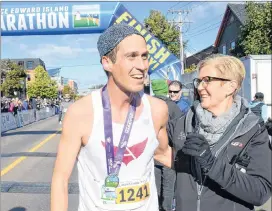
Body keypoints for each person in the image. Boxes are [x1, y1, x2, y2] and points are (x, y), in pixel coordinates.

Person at [51, 23, 172, 211]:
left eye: (144, 56)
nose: (142, 66)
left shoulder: (157, 109)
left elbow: (163, 154)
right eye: (131, 56)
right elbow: (60, 178)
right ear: (107, 62)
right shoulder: (80, 113)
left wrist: (213, 166)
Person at [170, 54, 271, 211]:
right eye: (199, 80)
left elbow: (261, 192)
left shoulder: (252, 130)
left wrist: (211, 163)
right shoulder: (184, 122)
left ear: (231, 86)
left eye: (207, 80)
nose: (199, 87)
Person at [151, 79, 183, 211]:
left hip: (152, 152)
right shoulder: (173, 107)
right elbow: (178, 131)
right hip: (169, 152)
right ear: (165, 90)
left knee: (156, 185)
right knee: (169, 187)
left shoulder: (148, 104)